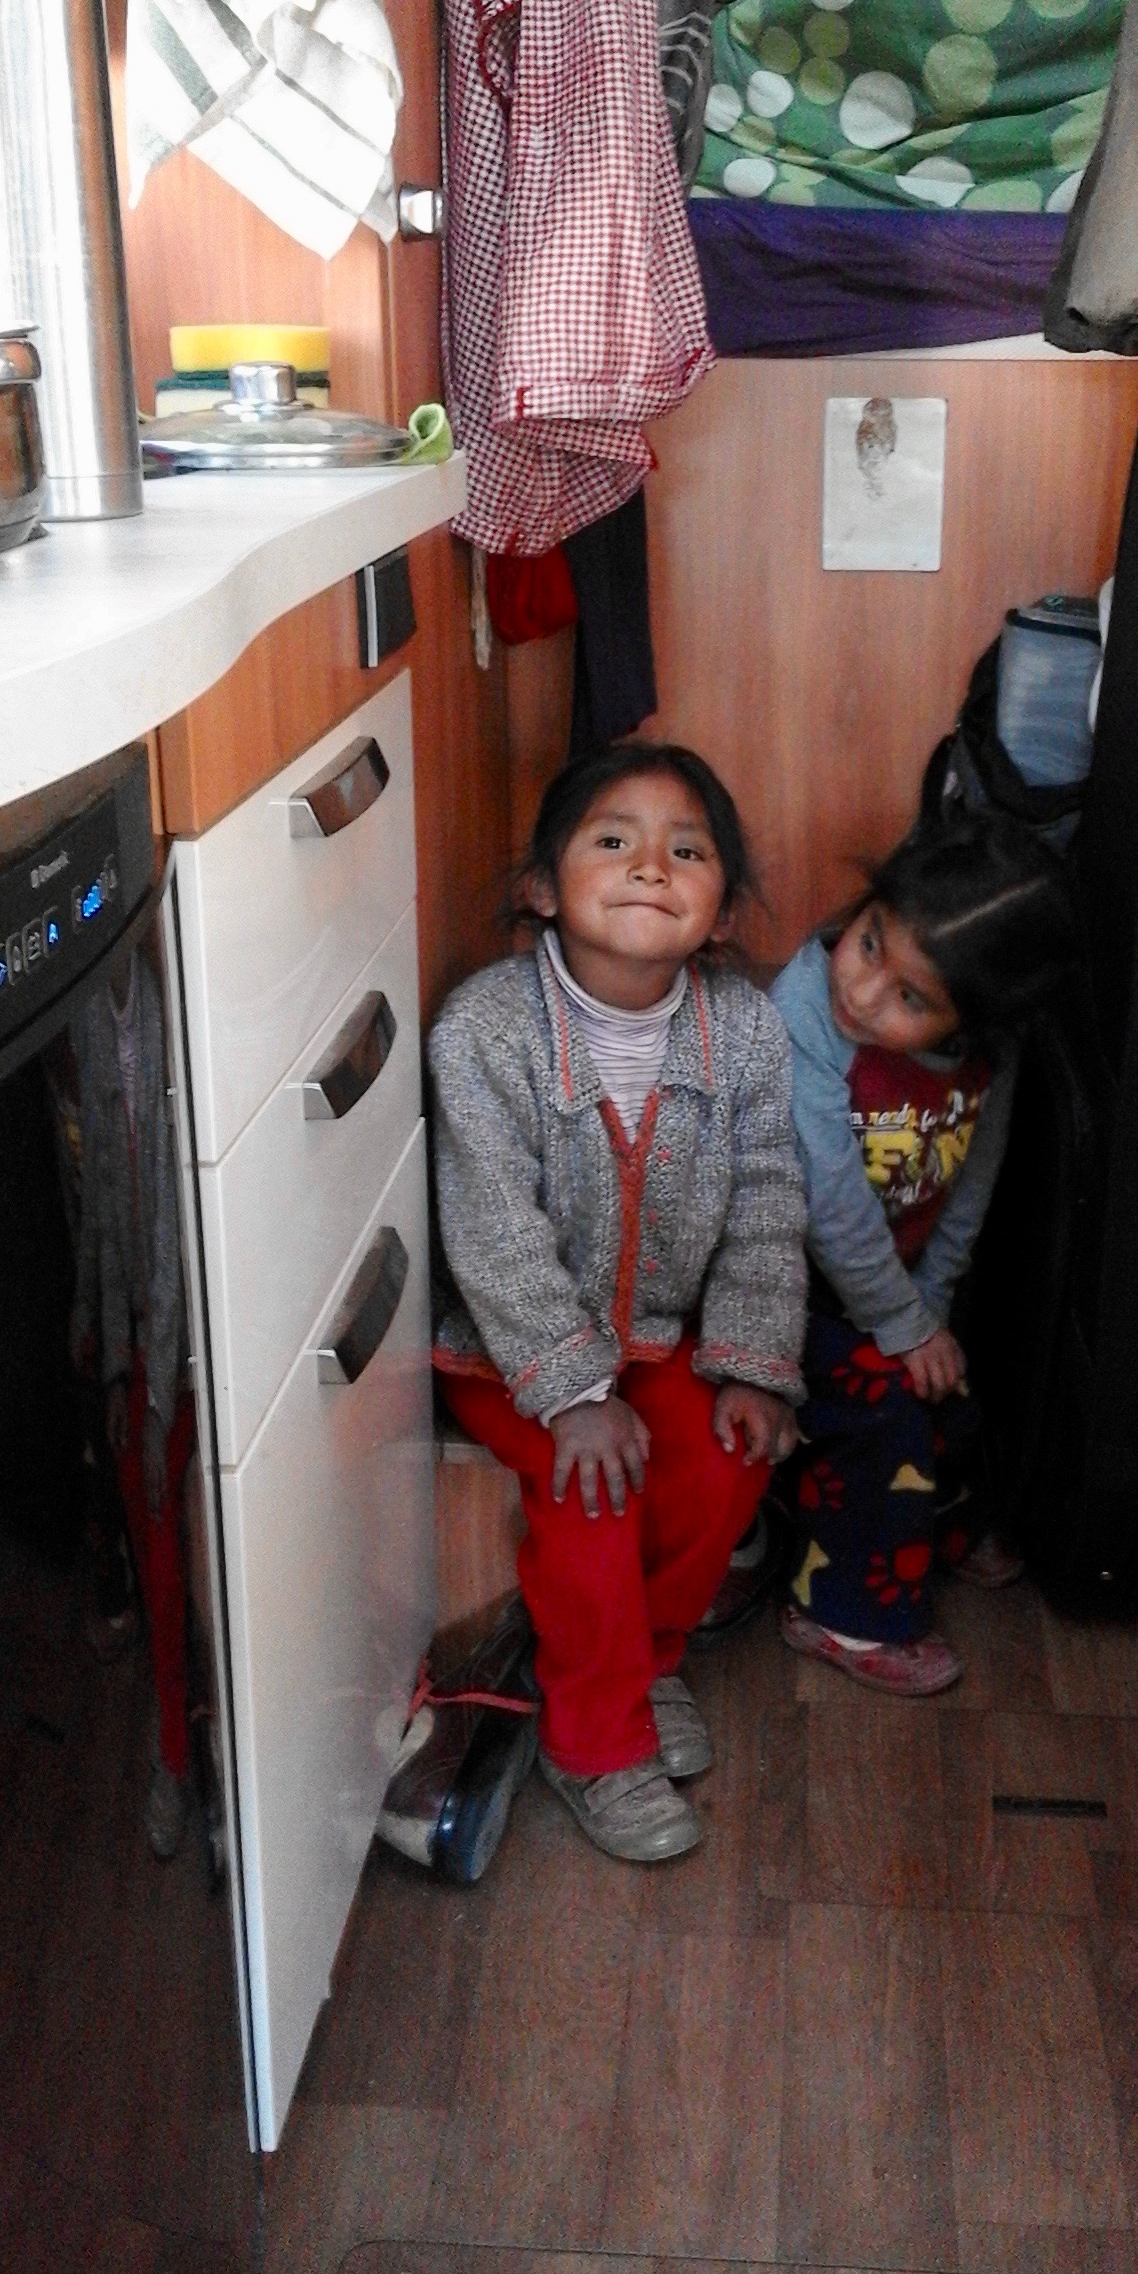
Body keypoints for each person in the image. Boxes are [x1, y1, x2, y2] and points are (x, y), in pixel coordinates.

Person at [429, 744, 808, 1863]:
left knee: (733, 1453)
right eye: (613, 840)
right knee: (593, 1486)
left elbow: (768, 1201)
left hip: (658, 1336)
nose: (651, 866)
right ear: (544, 887)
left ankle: (646, 1658)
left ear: (721, 913)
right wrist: (573, 1392)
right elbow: (492, 1228)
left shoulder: (744, 1031)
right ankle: (593, 1741)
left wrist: (752, 1362)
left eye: (686, 851)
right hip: (509, 1353)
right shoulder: (486, 1029)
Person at [770, 810, 1077, 1695]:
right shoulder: (804, 1013)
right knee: (885, 1413)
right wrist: (902, 1325)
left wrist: (931, 1304)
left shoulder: (992, 1051)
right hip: (781, 1281)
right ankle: (841, 1613)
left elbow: (972, 1176)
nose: (864, 993)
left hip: (884, 1286)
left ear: (972, 1022)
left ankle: (928, 1524)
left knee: (954, 1389)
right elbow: (828, 1204)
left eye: (911, 998)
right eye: (868, 944)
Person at [69, 945, 196, 1858]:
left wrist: (158, 1398)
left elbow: (185, 1219)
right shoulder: (85, 1019)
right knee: (154, 1535)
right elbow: (107, 1206)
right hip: (142, 1340)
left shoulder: (182, 1004)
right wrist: (118, 1365)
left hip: (206, 1338)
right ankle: (175, 1753)